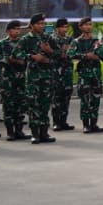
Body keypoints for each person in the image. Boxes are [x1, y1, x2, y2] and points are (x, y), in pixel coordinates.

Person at [19, 13, 58, 144]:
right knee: (33, 105)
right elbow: (16, 54)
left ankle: (44, 132)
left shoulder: (48, 38)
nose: (41, 26)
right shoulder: (26, 39)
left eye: (43, 23)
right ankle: (35, 133)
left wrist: (49, 51)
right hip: (33, 77)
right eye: (39, 24)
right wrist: (32, 57)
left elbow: (60, 54)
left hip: (47, 76)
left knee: (45, 104)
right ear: (32, 25)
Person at [70, 18, 103, 133]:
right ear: (80, 27)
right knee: (85, 100)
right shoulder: (76, 41)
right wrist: (85, 56)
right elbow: (71, 54)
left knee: (96, 99)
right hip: (84, 74)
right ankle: (86, 124)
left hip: (96, 74)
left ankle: (94, 123)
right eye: (85, 25)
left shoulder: (96, 41)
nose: (88, 27)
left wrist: (98, 55)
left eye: (90, 24)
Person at [50, 18, 76, 131]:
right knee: (56, 97)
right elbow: (50, 53)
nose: (64, 29)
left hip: (67, 71)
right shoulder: (52, 39)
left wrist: (66, 53)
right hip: (55, 71)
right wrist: (62, 52)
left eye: (66, 27)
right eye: (62, 27)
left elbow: (72, 52)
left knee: (66, 97)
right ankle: (56, 122)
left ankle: (64, 121)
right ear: (57, 28)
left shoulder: (69, 39)